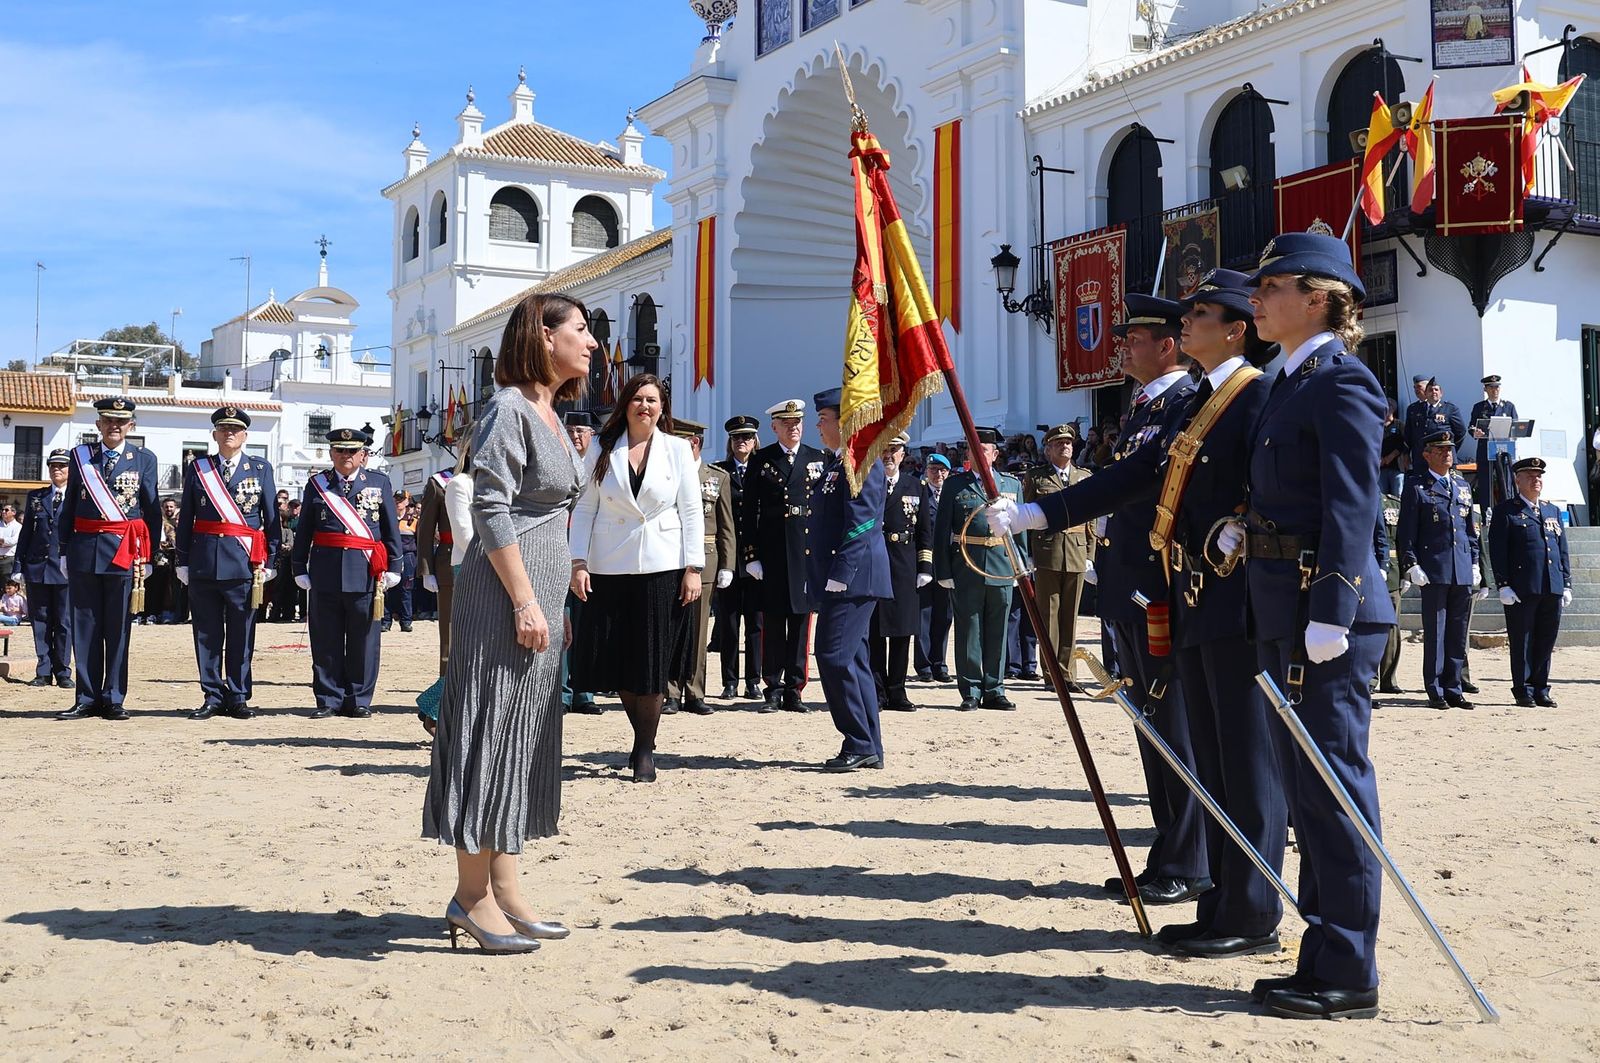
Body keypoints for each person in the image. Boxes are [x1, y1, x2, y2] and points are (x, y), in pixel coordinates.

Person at [1232, 232, 1395, 1019]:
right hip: (1280, 605)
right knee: (1305, 791)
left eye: (1273, 285)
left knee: (1334, 791)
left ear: (1323, 296)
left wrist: (1332, 605)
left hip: (1321, 613)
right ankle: (1322, 949)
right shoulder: (1288, 380)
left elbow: (1351, 504)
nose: (1256, 298)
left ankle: (1350, 968)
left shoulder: (1342, 382)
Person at [423, 291, 588, 954]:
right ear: (544, 338)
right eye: (580, 329)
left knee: (521, 737)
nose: (592, 342)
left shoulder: (551, 411)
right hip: (501, 600)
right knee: (487, 731)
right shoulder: (506, 409)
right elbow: (491, 508)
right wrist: (525, 600)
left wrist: (556, 603)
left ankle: (507, 888)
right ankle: (469, 897)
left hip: (540, 597)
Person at [568, 373, 704, 782]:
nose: (645, 406)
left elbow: (691, 510)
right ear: (625, 404)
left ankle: (644, 748)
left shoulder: (679, 450)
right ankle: (640, 732)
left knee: (651, 663)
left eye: (653, 400)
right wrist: (578, 562)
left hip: (663, 566)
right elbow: (586, 508)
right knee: (618, 661)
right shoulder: (603, 449)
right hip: (609, 566)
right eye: (638, 399)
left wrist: (693, 567)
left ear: (663, 408)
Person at [57, 396, 161, 721]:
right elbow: (70, 504)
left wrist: (150, 553)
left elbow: (152, 510)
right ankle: (86, 697)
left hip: (123, 551)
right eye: (108, 421)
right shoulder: (80, 457)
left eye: (121, 421)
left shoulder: (144, 458)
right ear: (98, 424)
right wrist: (63, 549)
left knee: (117, 627)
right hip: (84, 550)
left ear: (131, 425)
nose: (114, 426)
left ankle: (113, 697)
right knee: (85, 627)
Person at [175, 405, 281, 720]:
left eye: (235, 429)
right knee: (206, 633)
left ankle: (237, 695)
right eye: (223, 429)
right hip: (204, 560)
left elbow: (271, 519)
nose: (229, 433)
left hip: (243, 564)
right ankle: (211, 694)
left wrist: (271, 559)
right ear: (215, 434)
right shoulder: (199, 468)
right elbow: (186, 518)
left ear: (245, 436)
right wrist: (183, 560)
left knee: (241, 633)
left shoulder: (260, 469)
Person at [291, 427, 403, 719]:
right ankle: (328, 698)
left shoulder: (378, 483)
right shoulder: (317, 485)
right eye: (340, 450)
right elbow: (304, 530)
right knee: (325, 640)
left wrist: (395, 566)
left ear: (363, 455)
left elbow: (391, 529)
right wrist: (298, 566)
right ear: (331, 454)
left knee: (363, 640)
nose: (345, 456)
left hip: (365, 572)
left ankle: (359, 699)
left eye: (351, 451)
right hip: (325, 572)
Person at [807, 388, 892, 769]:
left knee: (834, 655)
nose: (818, 426)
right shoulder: (839, 461)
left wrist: (841, 575)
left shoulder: (860, 461)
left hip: (853, 577)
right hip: (842, 577)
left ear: (843, 422)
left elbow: (863, 523)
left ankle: (858, 741)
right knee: (853, 660)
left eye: (824, 419)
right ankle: (868, 744)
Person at [741, 399, 825, 712]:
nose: (793, 428)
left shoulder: (817, 458)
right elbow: (749, 512)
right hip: (773, 553)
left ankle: (795, 688)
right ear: (774, 427)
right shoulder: (762, 460)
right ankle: (772, 687)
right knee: (773, 624)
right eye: (786, 424)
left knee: (802, 625)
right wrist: (751, 555)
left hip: (805, 554)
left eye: (797, 423)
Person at [933, 427, 1022, 711]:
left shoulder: (1011, 484)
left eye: (985, 449)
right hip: (966, 564)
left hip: (1001, 564)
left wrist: (1021, 566)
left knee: (998, 629)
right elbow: (942, 530)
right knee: (969, 628)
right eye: (974, 449)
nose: (980, 454)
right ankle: (970, 689)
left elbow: (1018, 530)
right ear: (967, 454)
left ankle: (995, 689)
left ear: (994, 454)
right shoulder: (955, 485)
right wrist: (943, 571)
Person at [1396, 430, 1482, 710]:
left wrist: (1475, 562)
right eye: (1441, 449)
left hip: (1461, 567)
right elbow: (1407, 531)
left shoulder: (1462, 486)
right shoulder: (1417, 486)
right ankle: (1435, 688)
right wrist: (1411, 564)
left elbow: (1471, 531)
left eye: (1450, 449)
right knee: (1436, 632)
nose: (1448, 454)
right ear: (1427, 454)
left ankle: (1454, 686)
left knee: (1458, 632)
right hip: (1434, 569)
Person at [664, 418, 735, 716]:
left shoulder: (716, 477)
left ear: (694, 443)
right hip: (669, 557)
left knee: (698, 630)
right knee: (670, 628)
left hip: (704, 559)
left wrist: (727, 563)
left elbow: (726, 526)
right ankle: (669, 692)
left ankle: (694, 691)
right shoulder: (666, 473)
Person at [1490, 457, 1571, 707]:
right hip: (1522, 587)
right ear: (1517, 480)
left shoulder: (1551, 510)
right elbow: (1498, 550)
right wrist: (1503, 583)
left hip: (1551, 585)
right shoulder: (1507, 510)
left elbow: (1561, 548)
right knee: (1522, 639)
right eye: (1530, 476)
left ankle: (1541, 687)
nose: (1536, 480)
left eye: (1539, 476)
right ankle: (1523, 688)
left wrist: (1566, 582)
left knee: (1546, 639)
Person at [1020, 424, 1095, 691]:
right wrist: (1027, 553)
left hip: (1075, 552)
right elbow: (1026, 515)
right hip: (1047, 552)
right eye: (1059, 443)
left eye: (1069, 443)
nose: (1065, 446)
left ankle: (1068, 673)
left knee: (1069, 618)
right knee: (1049, 617)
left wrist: (1090, 554)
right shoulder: (1037, 477)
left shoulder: (1084, 476)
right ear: (1048, 449)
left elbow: (1091, 519)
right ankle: (1052, 675)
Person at [870, 433, 929, 712]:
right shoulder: (867, 483)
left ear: (903, 454)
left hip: (905, 565)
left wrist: (925, 566)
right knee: (877, 631)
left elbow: (924, 531)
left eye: (894, 450)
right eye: (884, 450)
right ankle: (878, 691)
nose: (888, 456)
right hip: (875, 562)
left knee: (903, 631)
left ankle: (898, 691)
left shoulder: (915, 485)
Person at [713, 415, 763, 699]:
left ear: (754, 440)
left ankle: (753, 680)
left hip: (756, 558)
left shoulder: (763, 468)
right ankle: (730, 680)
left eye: (746, 437)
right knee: (729, 624)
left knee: (755, 624)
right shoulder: (720, 471)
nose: (741, 442)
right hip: (730, 558)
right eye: (735, 438)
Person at [15, 450, 73, 687]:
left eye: (61, 465)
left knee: (63, 622)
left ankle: (63, 672)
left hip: (64, 569)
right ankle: (43, 670)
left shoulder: (78, 497)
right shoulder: (36, 497)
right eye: (52, 466)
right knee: (40, 621)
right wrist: (18, 565)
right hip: (37, 567)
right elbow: (26, 532)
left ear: (71, 470)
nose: (56, 469)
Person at [559, 413, 599, 715]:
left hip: (592, 557)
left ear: (592, 434)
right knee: (562, 622)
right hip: (560, 554)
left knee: (587, 626)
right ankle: (562, 692)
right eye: (570, 429)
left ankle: (585, 690)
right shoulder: (558, 463)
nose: (575, 435)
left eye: (581, 430)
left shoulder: (600, 467)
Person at [914, 453, 954, 682]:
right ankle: (924, 665)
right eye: (933, 470)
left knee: (944, 616)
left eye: (942, 471)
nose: (938, 474)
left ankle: (940, 663)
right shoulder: (920, 494)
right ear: (926, 471)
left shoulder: (951, 496)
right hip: (924, 564)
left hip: (946, 564)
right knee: (923, 616)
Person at [416, 464, 458, 677]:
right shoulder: (440, 482)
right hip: (449, 562)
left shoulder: (493, 474)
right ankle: (445, 693)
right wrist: (427, 569)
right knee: (449, 634)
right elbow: (425, 529)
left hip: (490, 561)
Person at [1468, 374, 1518, 510]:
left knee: (1506, 485)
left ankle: (1508, 513)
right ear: (1486, 389)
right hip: (1486, 451)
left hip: (1505, 452)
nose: (1495, 390)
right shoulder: (1479, 407)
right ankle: (1486, 516)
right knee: (1486, 485)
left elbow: (1516, 427)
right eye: (1491, 387)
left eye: (1497, 387)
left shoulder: (1508, 406)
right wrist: (1475, 432)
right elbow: (1471, 427)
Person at [1403, 376, 1466, 477]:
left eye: (1436, 390)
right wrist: (1406, 453)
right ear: (1426, 393)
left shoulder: (1450, 409)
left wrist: (1449, 449)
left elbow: (1461, 433)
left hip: (1443, 458)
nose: (1433, 392)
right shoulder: (1413, 409)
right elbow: (1408, 433)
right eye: (1430, 390)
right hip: (1421, 458)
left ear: (1441, 393)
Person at [1375, 489, 1405, 695]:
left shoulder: (1393, 504)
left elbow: (1401, 540)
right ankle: (1368, 679)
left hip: (1391, 572)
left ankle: (1388, 679)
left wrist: (1405, 572)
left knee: (1392, 630)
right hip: (1361, 572)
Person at [384, 493, 418, 632]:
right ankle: (385, 621)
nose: (398, 503)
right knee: (387, 589)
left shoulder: (414, 521)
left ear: (407, 502)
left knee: (406, 589)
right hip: (390, 556)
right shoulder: (387, 519)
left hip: (408, 556)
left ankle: (406, 621)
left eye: (401, 500)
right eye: (396, 500)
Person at [0, 501, 20, 586]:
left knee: (7, 584)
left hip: (8, 559)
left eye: (6, 510)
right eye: (2, 510)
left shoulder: (18, 526)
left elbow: (13, 541)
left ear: (13, 512)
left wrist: (3, 541)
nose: (3, 512)